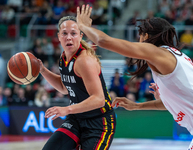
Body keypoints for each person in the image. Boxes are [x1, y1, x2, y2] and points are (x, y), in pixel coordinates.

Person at [76, 5, 193, 149]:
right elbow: (175, 103)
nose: (139, 39)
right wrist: (137, 106)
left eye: (140, 35)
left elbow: (103, 41)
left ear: (147, 36)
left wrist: (82, 26)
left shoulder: (156, 52)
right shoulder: (177, 58)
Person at [38, 16, 116, 150]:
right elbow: (64, 87)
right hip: (76, 119)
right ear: (59, 36)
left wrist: (66, 109)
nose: (69, 37)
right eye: (64, 33)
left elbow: (99, 99)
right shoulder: (63, 58)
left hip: (99, 122)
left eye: (73, 33)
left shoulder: (84, 60)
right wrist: (43, 70)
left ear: (80, 36)